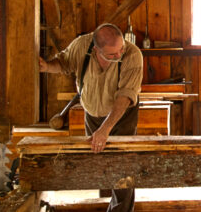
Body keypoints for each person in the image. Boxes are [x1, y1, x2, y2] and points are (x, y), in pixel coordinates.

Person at [40, 23, 143, 152]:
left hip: (121, 117)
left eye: (121, 49)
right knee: (94, 159)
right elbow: (63, 63)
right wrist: (47, 67)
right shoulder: (81, 46)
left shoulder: (132, 54)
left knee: (121, 159)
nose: (119, 55)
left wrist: (105, 129)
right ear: (96, 49)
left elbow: (125, 95)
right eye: (112, 54)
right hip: (92, 115)